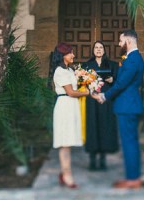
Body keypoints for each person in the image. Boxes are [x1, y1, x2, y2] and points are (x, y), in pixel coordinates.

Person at [91, 29, 144, 189]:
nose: (119, 44)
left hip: (127, 106)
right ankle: (133, 177)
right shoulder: (132, 58)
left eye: (121, 41)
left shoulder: (133, 60)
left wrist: (104, 96)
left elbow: (122, 84)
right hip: (128, 105)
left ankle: (132, 179)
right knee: (130, 142)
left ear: (128, 42)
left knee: (129, 143)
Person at [50, 42, 89, 189]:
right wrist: (86, 93)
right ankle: (67, 175)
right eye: (70, 53)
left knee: (69, 142)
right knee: (64, 143)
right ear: (63, 56)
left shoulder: (70, 70)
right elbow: (71, 92)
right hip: (65, 106)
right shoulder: (59, 71)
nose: (73, 55)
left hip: (72, 106)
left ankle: (64, 172)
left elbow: (77, 87)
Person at [83, 40, 119, 171]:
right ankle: (92, 160)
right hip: (92, 99)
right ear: (93, 51)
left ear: (104, 50)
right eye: (96, 47)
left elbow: (120, 81)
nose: (98, 49)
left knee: (105, 126)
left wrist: (112, 79)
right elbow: (82, 83)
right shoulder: (86, 65)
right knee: (92, 126)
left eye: (101, 47)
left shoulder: (113, 65)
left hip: (106, 99)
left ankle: (103, 159)